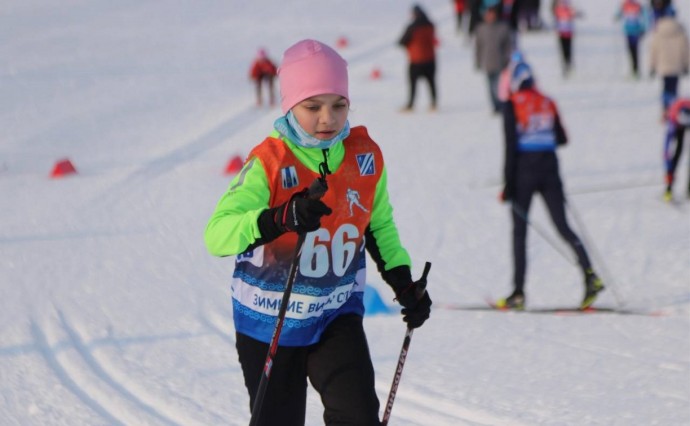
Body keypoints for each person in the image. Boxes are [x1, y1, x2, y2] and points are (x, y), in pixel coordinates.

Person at [204, 39, 432, 426]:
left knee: (359, 415)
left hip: (333, 314)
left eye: (338, 104)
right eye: (313, 106)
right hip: (269, 320)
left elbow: (378, 226)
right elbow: (217, 235)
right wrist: (281, 217)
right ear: (290, 106)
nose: (328, 118)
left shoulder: (365, 157)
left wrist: (403, 282)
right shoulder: (270, 162)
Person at [498, 61, 605, 310]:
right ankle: (591, 276)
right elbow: (562, 138)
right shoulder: (547, 101)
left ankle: (518, 293)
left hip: (524, 171)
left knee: (519, 232)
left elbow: (509, 146)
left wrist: (507, 185)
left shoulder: (512, 104)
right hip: (550, 169)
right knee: (563, 226)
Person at [648, 7, 689, 117]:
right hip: (677, 67)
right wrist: (686, 65)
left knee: (665, 88)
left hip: (663, 66)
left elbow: (654, 50)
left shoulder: (658, 30)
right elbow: (686, 50)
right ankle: (673, 111)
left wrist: (652, 66)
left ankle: (666, 109)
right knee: (674, 89)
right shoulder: (680, 31)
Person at [398, 4, 438, 112]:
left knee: (413, 84)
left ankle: (410, 104)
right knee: (431, 82)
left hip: (416, 60)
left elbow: (401, 42)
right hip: (430, 59)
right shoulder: (430, 25)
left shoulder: (412, 27)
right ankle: (434, 103)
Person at [474, 5, 512, 114]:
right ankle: (495, 105)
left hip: (500, 61)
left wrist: (507, 58)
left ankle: (502, 104)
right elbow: (478, 47)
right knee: (490, 86)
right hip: (487, 62)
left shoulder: (503, 27)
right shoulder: (481, 29)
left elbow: (508, 45)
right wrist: (478, 61)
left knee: (499, 85)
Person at [662, 97, 690, 201]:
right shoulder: (673, 118)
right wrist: (668, 168)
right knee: (676, 154)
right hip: (677, 125)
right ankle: (669, 188)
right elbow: (666, 148)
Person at [615, 0, 648, 78]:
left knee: (635, 51)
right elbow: (619, 14)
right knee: (630, 51)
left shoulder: (638, 5)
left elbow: (644, 17)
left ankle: (636, 70)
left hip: (636, 32)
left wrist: (643, 28)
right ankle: (633, 70)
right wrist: (617, 17)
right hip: (628, 31)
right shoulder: (625, 5)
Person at [551, 0, 581, 77]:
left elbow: (572, 13)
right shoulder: (557, 6)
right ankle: (565, 65)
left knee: (568, 50)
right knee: (563, 50)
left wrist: (575, 14)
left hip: (568, 32)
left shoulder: (568, 5)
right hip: (561, 32)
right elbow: (555, 15)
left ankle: (569, 64)